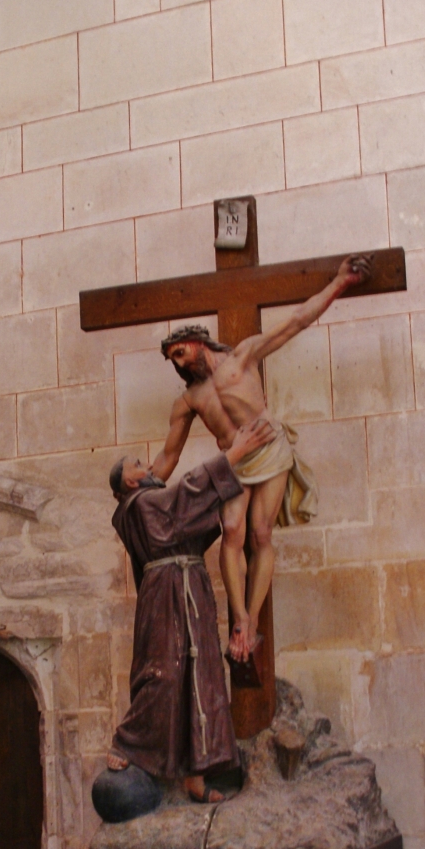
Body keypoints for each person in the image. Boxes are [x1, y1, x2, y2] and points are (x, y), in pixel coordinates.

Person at [151, 253, 373, 663]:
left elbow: (297, 321)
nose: (178, 364)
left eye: (180, 353)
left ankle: (252, 620)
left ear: (199, 341)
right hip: (234, 463)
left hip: (269, 450)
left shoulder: (244, 356)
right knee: (231, 529)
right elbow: (168, 455)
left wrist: (340, 282)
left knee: (260, 534)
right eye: (173, 360)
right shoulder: (188, 400)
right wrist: (138, 486)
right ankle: (239, 620)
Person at [106, 418, 275, 804]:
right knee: (163, 675)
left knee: (202, 678)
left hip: (191, 590)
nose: (147, 467)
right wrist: (232, 456)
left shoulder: (150, 504)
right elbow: (183, 497)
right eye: (138, 465)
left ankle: (197, 776)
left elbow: (190, 522)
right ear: (128, 482)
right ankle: (128, 745)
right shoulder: (138, 505)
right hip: (166, 595)